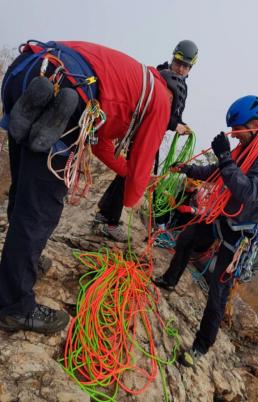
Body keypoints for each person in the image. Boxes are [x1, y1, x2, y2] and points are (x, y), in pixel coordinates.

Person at [0, 39, 186, 334]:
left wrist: (128, 172)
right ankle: (14, 306)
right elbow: (139, 173)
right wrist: (139, 189)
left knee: (26, 190)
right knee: (40, 209)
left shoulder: (133, 80)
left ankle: (18, 267)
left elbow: (103, 148)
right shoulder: (160, 103)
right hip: (68, 99)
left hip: (29, 68)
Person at [152, 95, 258, 367]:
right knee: (188, 238)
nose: (235, 136)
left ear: (253, 124)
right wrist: (188, 169)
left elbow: (247, 192)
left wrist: (226, 157)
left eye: (238, 130)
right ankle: (169, 280)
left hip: (240, 230)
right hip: (223, 217)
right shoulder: (248, 148)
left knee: (218, 288)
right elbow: (218, 171)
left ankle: (201, 347)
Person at [92, 40, 198, 242]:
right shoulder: (160, 77)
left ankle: (106, 214)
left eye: (186, 66)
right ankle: (109, 221)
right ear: (173, 58)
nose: (181, 68)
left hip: (153, 133)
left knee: (127, 172)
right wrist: (175, 125)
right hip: (142, 131)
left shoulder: (181, 85)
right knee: (131, 172)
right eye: (179, 63)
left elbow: (173, 114)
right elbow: (155, 109)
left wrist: (181, 124)